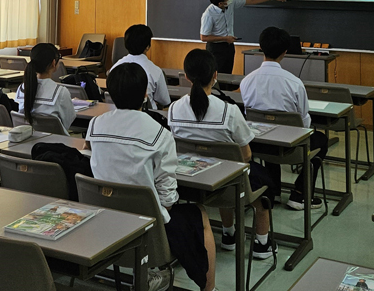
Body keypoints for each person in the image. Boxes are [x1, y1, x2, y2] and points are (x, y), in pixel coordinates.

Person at [86, 63, 217, 291]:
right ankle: (209, 288)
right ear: (146, 94)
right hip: (147, 226)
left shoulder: (95, 124)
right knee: (200, 214)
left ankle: (153, 274)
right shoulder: (159, 133)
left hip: (105, 216)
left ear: (110, 93)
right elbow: (167, 197)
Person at [168, 49, 276, 260]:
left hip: (189, 182)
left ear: (187, 76)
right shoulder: (229, 111)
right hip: (227, 186)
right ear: (215, 75)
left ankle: (229, 234)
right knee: (264, 185)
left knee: (225, 170)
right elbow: (245, 156)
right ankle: (262, 245)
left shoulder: (173, 109)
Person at [240, 26, 328, 210]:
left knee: (269, 132)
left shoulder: (247, 80)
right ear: (285, 52)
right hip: (292, 148)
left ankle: (273, 190)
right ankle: (300, 194)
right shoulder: (294, 83)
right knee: (321, 140)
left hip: (258, 144)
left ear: (260, 48)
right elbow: (304, 123)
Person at [199, 0, 287, 74]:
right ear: (220, 3)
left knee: (227, 75)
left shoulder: (231, 3)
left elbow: (251, 0)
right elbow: (204, 37)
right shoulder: (208, 15)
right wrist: (225, 38)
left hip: (229, 47)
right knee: (216, 76)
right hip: (216, 49)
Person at [15, 43, 75, 130]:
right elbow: (68, 121)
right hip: (55, 141)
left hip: (27, 139)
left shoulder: (22, 88)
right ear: (53, 63)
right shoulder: (61, 92)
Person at [108, 24, 170, 109]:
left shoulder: (115, 68)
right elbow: (164, 100)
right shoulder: (155, 71)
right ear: (147, 47)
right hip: (147, 116)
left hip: (117, 115)